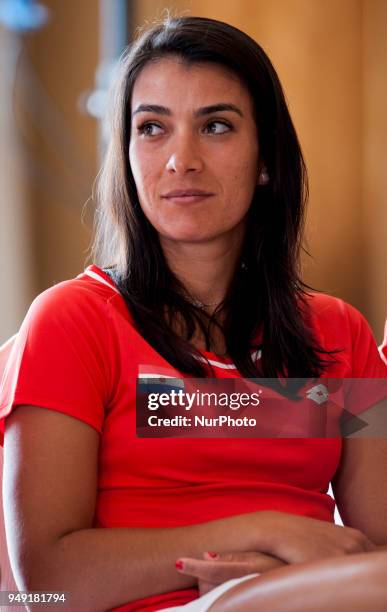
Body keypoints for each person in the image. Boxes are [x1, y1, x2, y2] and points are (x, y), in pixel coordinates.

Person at [1, 15, 387, 612]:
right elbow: (48, 583)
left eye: (215, 126)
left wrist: (267, 576)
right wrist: (262, 533)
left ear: (266, 160)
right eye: (152, 127)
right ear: (126, 157)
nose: (181, 159)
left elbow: (374, 549)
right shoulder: (72, 320)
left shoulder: (343, 334)